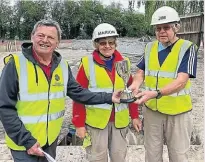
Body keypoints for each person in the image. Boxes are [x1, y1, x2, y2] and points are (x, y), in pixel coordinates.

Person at [0, 19, 121, 162]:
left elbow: (79, 93)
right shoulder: (15, 64)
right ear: (32, 37)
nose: (45, 40)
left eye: (51, 37)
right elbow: (4, 107)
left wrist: (109, 97)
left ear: (58, 42)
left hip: (50, 142)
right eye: (40, 35)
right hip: (24, 145)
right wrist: (27, 141)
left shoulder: (62, 66)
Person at [130, 6, 198, 162]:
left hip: (178, 113)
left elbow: (181, 81)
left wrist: (156, 93)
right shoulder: (149, 47)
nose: (161, 31)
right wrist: (135, 84)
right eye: (158, 28)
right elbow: (140, 72)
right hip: (152, 112)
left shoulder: (187, 48)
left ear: (176, 27)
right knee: (152, 155)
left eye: (166, 27)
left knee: (179, 156)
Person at [72, 23, 142, 162]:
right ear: (96, 44)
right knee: (97, 159)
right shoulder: (87, 64)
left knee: (119, 158)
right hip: (96, 124)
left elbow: (131, 92)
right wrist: (79, 124)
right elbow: (78, 96)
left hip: (119, 123)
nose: (107, 46)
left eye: (111, 42)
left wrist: (134, 116)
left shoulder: (124, 63)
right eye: (103, 43)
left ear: (116, 44)